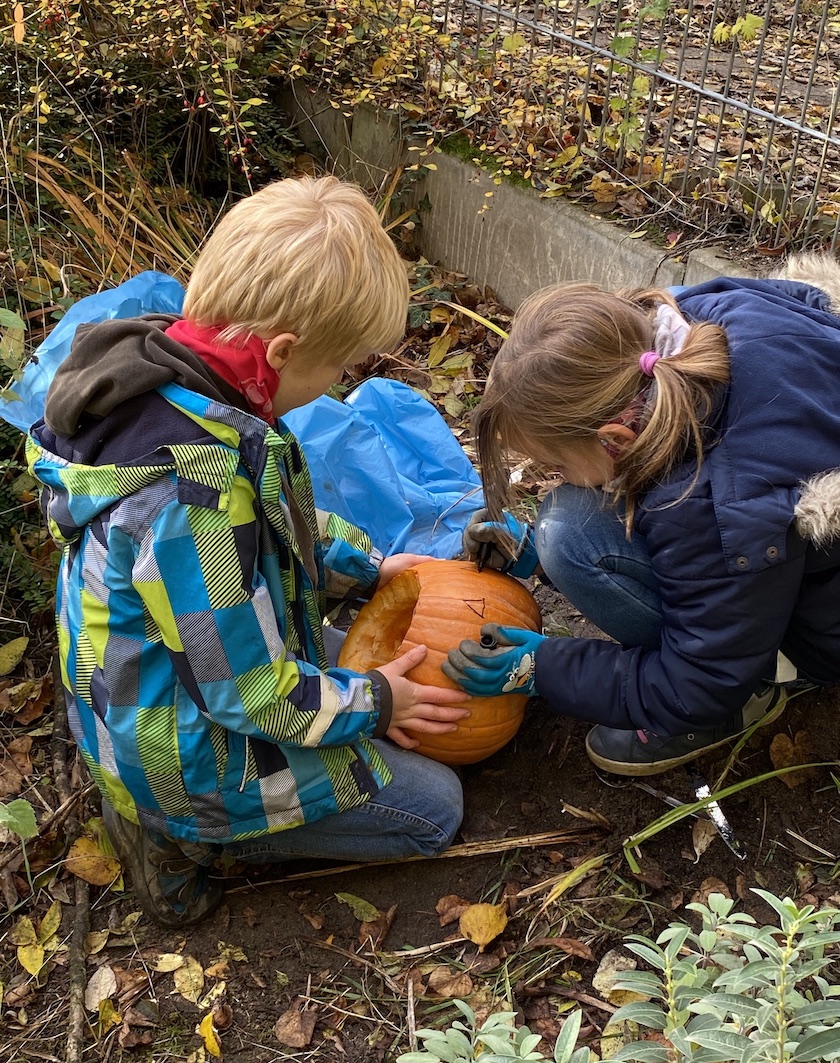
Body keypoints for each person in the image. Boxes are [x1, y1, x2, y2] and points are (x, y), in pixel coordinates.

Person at [27, 176, 471, 927]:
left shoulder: (180, 380)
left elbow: (267, 530)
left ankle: (176, 807)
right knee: (433, 810)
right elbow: (252, 693)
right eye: (340, 367)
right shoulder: (187, 497)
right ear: (285, 351)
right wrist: (374, 702)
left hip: (155, 687)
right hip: (185, 753)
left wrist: (364, 568)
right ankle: (186, 843)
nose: (339, 384)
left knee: (349, 664)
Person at [443, 254, 840, 777]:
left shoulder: (708, 503)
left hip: (824, 633)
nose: (555, 476)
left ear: (615, 440)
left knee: (570, 530)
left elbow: (692, 683)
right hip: (804, 565)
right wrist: (533, 555)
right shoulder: (692, 322)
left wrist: (542, 667)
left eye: (558, 463)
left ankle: (763, 680)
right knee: (563, 531)